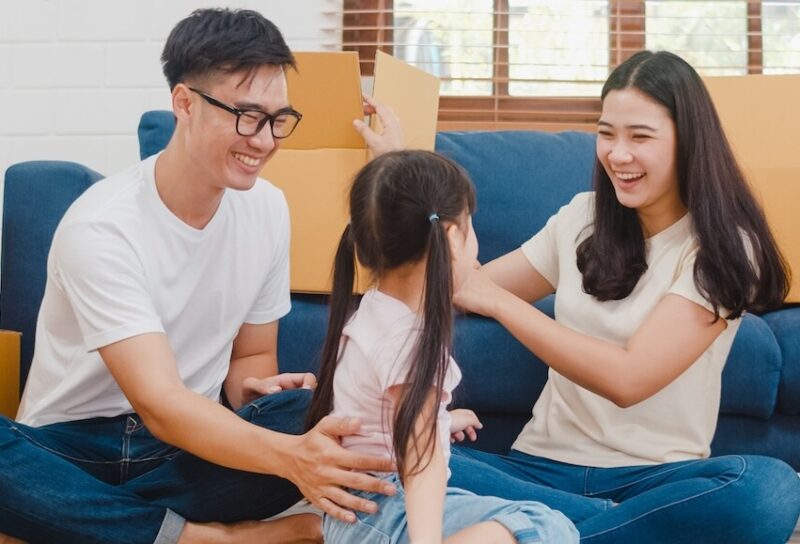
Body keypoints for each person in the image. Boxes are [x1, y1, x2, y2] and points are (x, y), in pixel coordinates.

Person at [0, 8, 404, 544]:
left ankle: (85, 524)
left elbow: (251, 359)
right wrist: (292, 461)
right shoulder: (102, 226)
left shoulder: (267, 209)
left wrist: (254, 392)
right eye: (246, 115)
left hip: (190, 451)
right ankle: (212, 539)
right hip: (74, 451)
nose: (263, 141)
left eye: (278, 119)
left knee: (318, 411)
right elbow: (161, 404)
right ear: (185, 103)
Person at [446, 50, 800, 543]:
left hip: (654, 481)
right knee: (396, 454)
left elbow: (629, 378)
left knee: (770, 490)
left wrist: (502, 303)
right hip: (539, 472)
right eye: (606, 133)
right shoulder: (580, 217)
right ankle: (601, 527)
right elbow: (462, 287)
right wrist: (396, 171)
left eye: (640, 136)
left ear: (688, 142)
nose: (617, 154)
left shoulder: (724, 246)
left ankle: (540, 527)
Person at [305, 149, 580, 543]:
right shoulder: (413, 345)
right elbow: (423, 464)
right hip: (386, 510)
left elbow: (379, 416)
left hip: (357, 514)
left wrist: (441, 419)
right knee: (545, 526)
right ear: (452, 238)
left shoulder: (375, 312)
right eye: (472, 226)